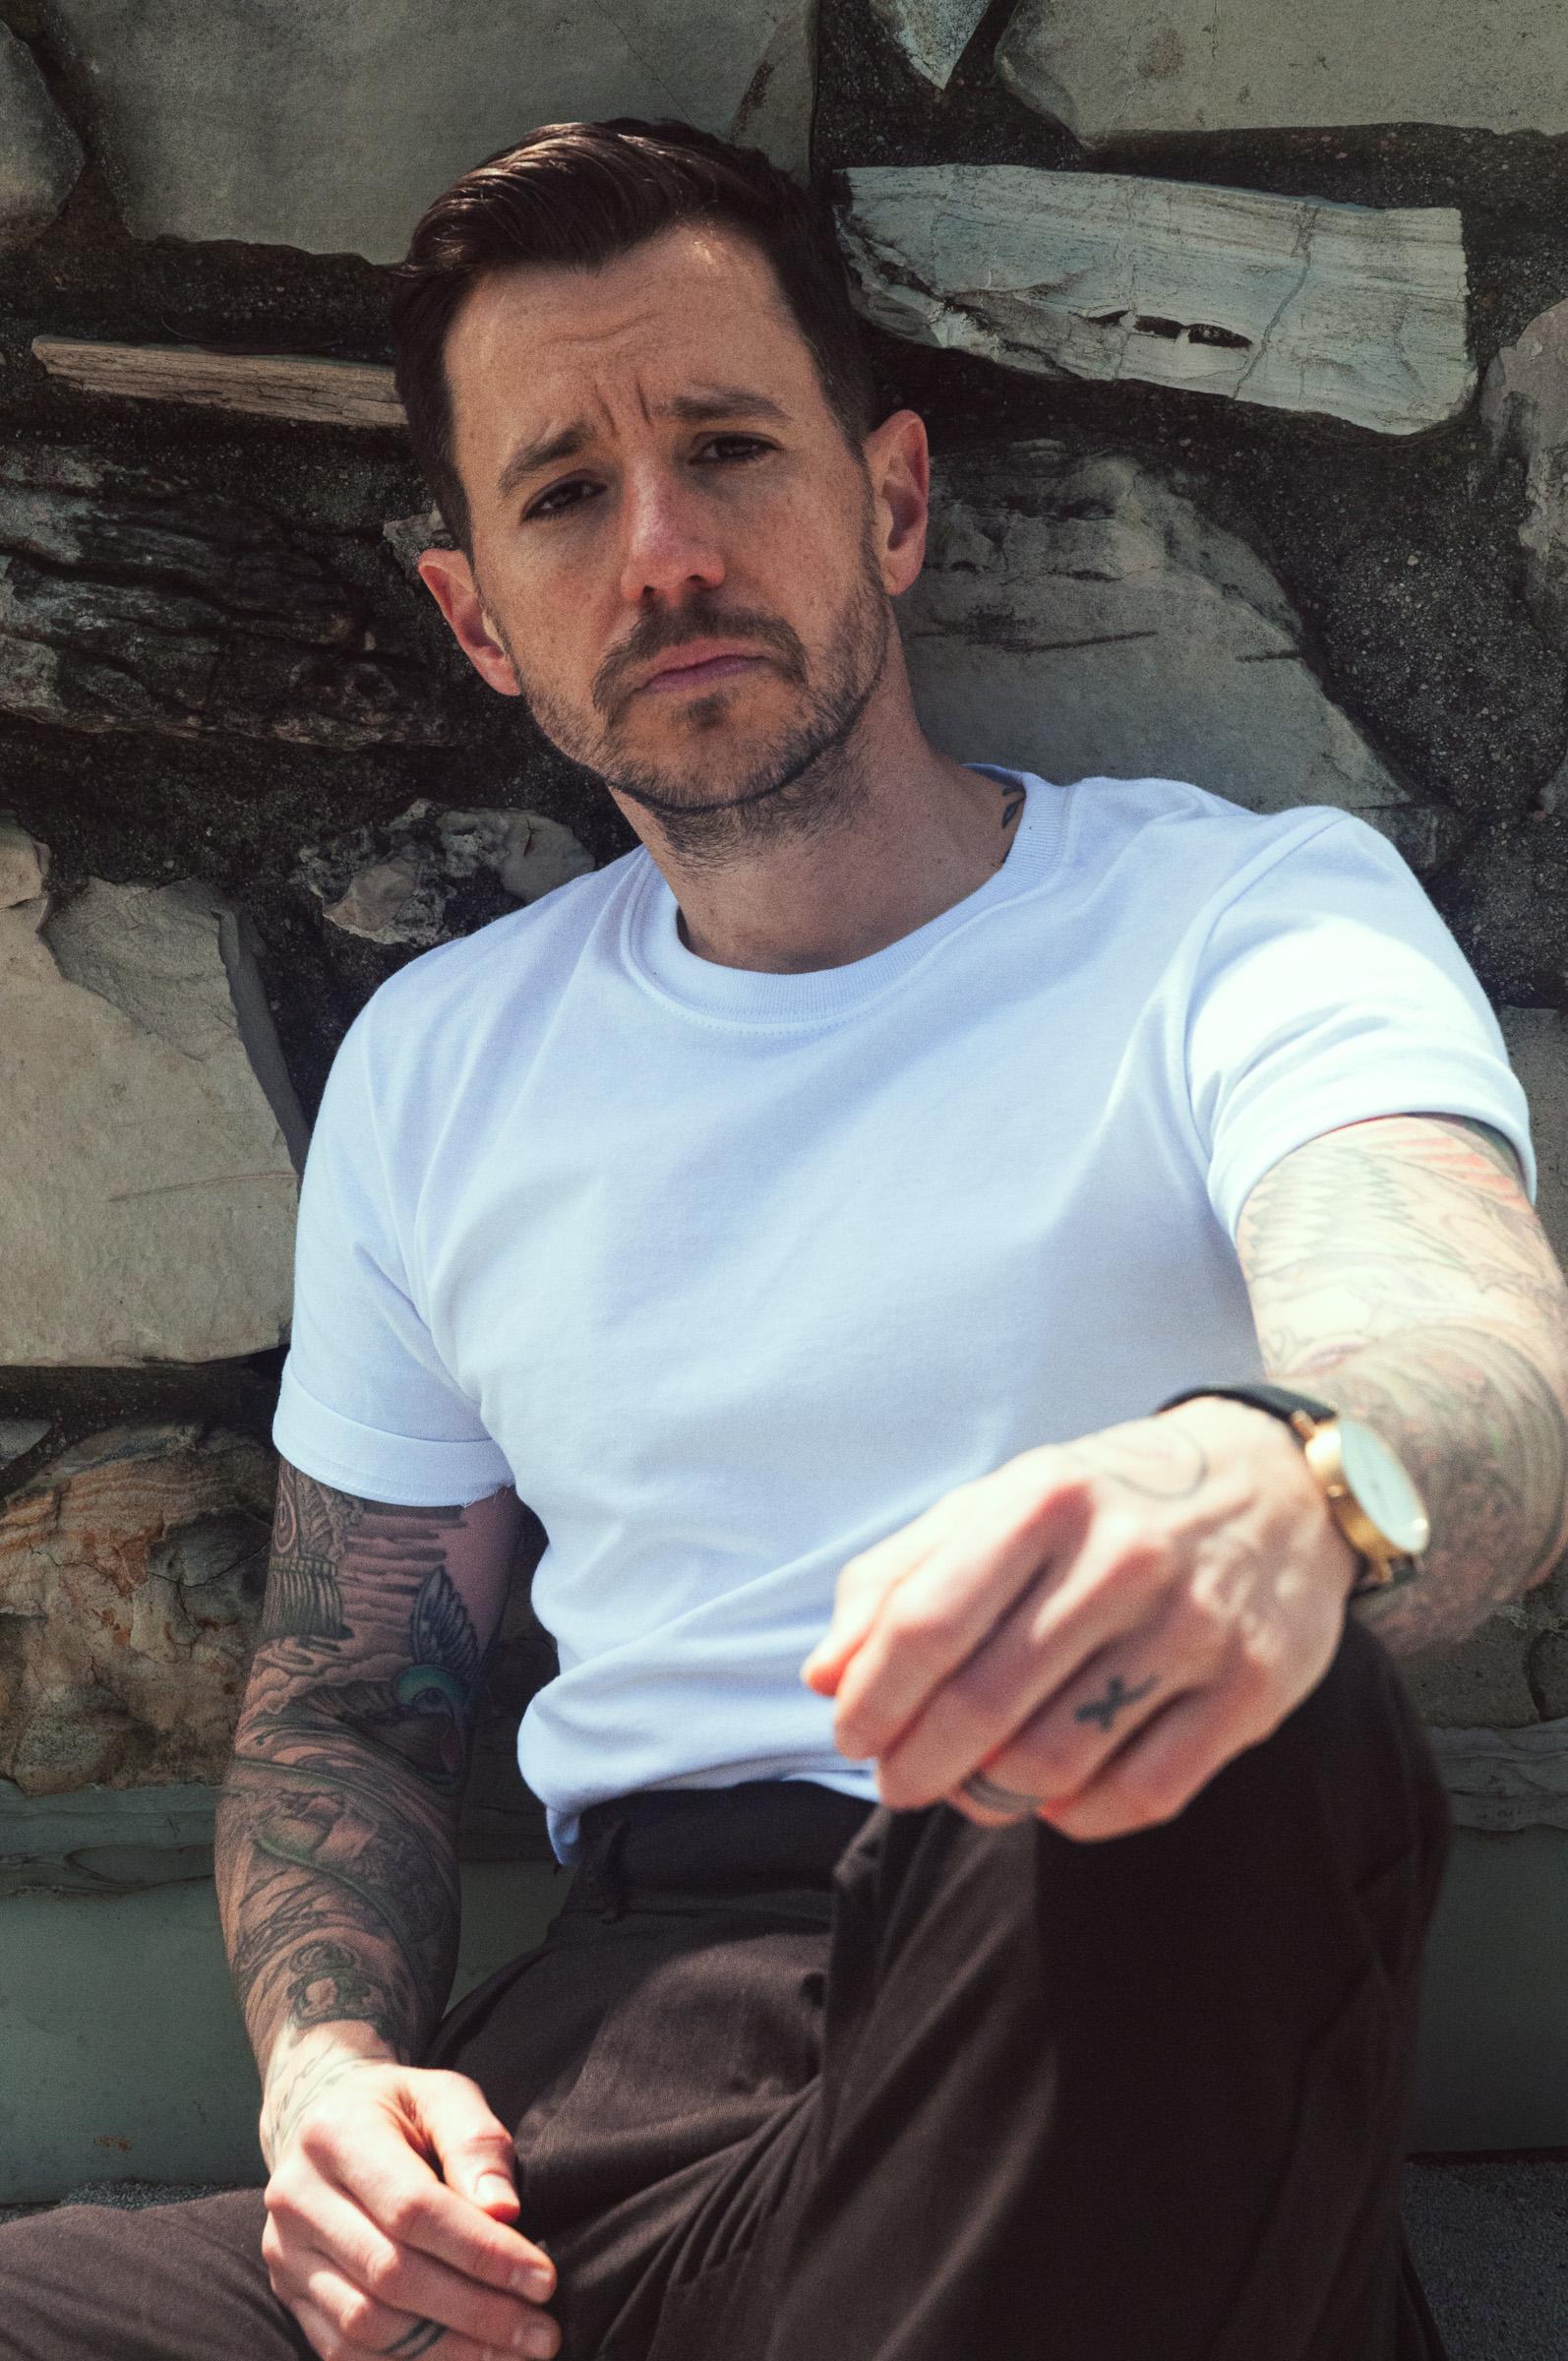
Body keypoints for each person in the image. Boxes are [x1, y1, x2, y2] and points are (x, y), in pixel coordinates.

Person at [5, 116, 1567, 2361]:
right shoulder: (442, 1066)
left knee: (1180, 1716)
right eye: (559, 494)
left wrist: (1283, 1488)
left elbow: (1463, 1345)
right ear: (476, 615)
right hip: (599, 2099)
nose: (663, 550)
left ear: (893, 500)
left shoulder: (1234, 918)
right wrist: (328, 2078)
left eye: (729, 446)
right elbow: (355, 1687)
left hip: (1070, 1987)